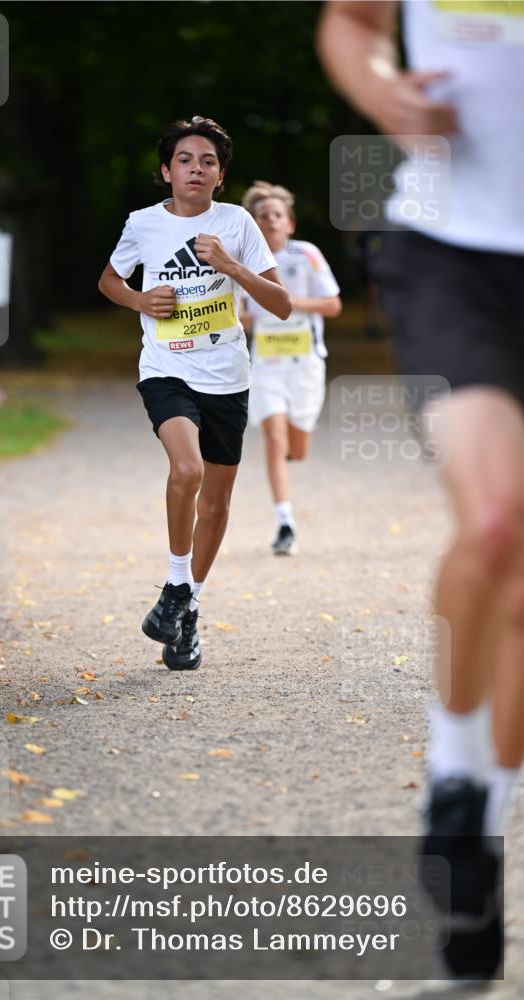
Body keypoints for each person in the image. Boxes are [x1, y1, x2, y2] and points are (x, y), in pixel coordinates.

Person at [318, 0, 524, 980]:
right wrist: (381, 91)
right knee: (495, 524)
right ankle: (452, 772)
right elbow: (350, 20)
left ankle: (480, 831)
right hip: (452, 255)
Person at [98, 117, 291, 671]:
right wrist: (140, 301)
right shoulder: (143, 224)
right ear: (166, 171)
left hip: (227, 375)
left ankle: (188, 608)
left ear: (220, 177)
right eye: (184, 160)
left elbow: (281, 305)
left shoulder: (237, 223)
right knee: (187, 470)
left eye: (208, 162)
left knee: (217, 503)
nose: (196, 169)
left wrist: (230, 266)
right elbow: (109, 281)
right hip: (166, 367)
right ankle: (177, 584)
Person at [240, 181, 342, 555]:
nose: (270, 220)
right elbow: (238, 313)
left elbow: (333, 305)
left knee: (297, 449)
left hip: (305, 365)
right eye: (262, 216)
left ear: (290, 223)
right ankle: (285, 523)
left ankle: (288, 449)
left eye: (276, 215)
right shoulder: (243, 261)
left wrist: (292, 302)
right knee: (274, 438)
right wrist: (242, 319)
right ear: (254, 224)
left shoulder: (307, 255)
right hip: (266, 365)